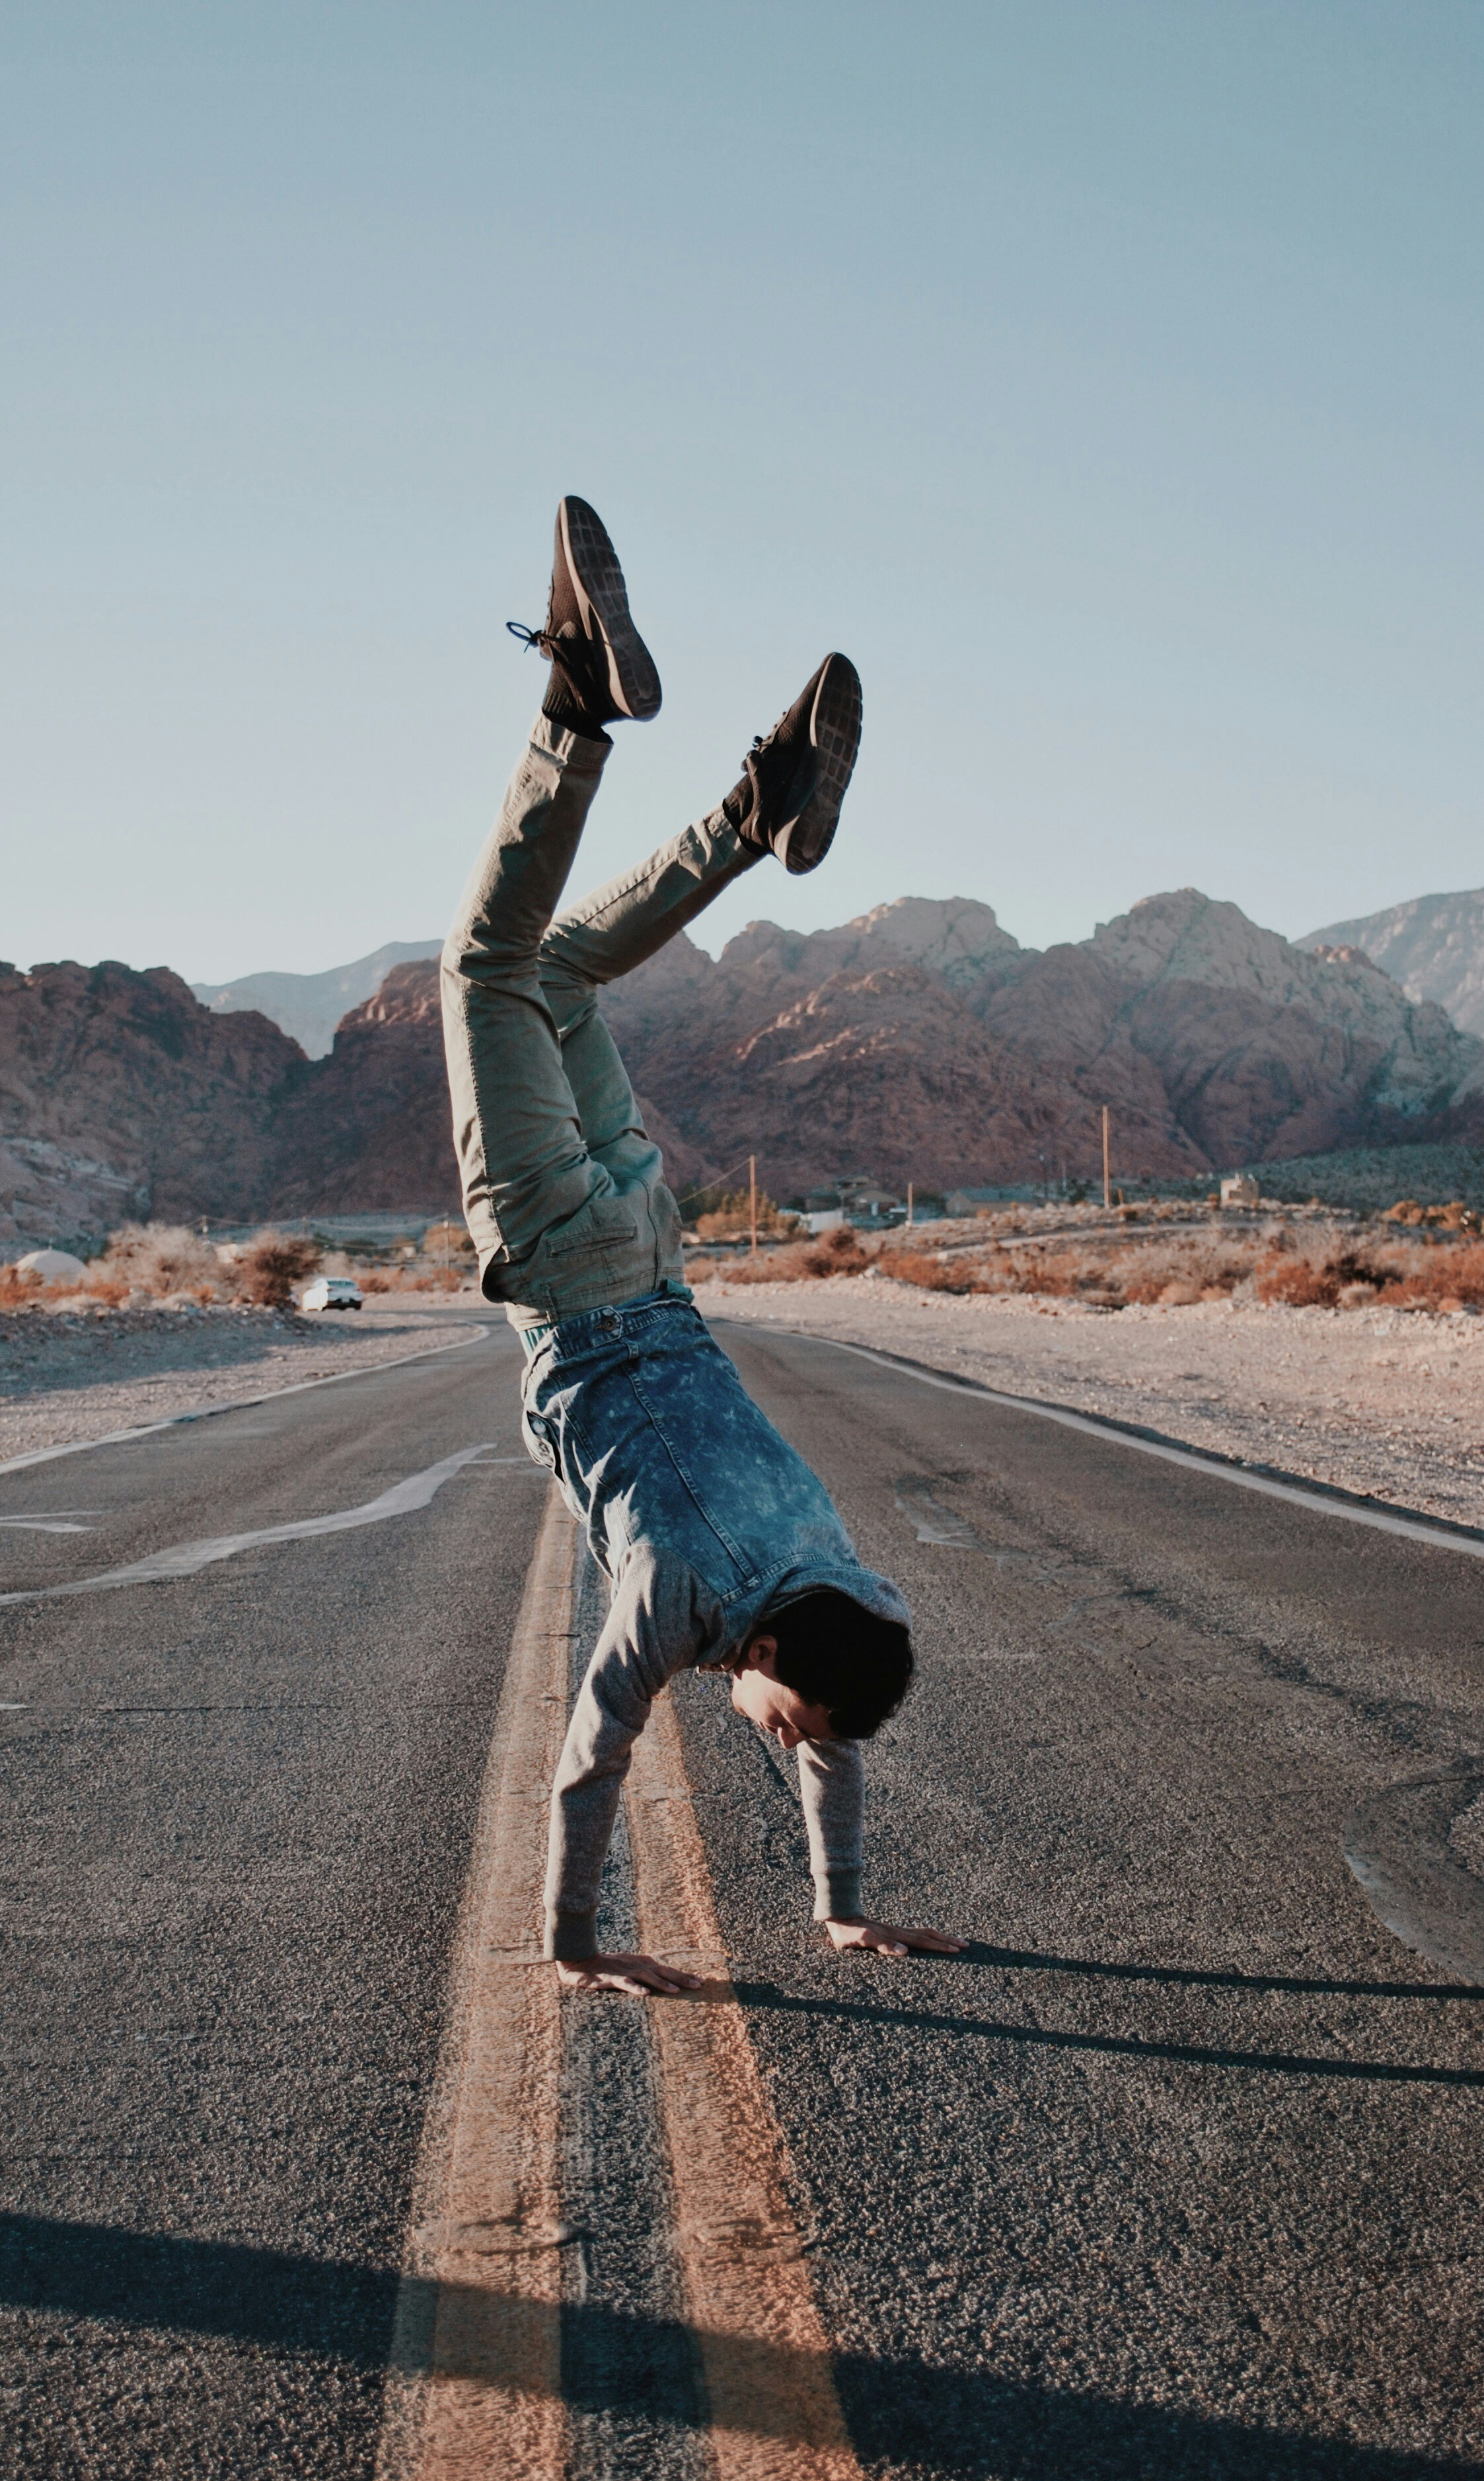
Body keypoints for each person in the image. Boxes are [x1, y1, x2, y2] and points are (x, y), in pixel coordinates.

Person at [441, 496, 963, 1995]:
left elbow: (838, 1728)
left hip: (655, 1243)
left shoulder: (847, 1578)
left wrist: (843, 1905)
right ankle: (573, 710)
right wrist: (574, 1950)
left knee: (550, 967)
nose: (791, 1748)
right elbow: (591, 1758)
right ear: (778, 1675)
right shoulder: (677, 1596)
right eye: (786, 1725)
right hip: (568, 1264)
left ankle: (757, 807)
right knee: (482, 963)